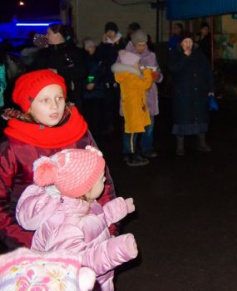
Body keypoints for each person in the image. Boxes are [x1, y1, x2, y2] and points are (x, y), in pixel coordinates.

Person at [0, 70, 117, 249]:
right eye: (44, 100)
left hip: (85, 234)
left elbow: (103, 181)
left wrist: (108, 226)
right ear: (28, 105)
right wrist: (31, 244)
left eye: (59, 98)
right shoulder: (13, 145)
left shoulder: (79, 132)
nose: (54, 107)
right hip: (36, 241)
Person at [16, 146, 139, 290]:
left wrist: (114, 210)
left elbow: (92, 225)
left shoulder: (82, 205)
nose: (105, 179)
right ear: (83, 188)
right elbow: (75, 266)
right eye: (100, 179)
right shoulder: (67, 225)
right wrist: (114, 251)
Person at [169, 33, 215, 156]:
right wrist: (184, 57)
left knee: (200, 117)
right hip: (182, 93)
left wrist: (211, 89)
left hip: (199, 93)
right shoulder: (175, 54)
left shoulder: (200, 55)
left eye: (190, 41)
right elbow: (173, 69)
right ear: (180, 44)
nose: (188, 44)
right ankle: (180, 146)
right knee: (182, 118)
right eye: (185, 42)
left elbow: (208, 72)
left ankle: (202, 143)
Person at [124, 30, 162, 158]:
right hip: (134, 96)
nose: (142, 47)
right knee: (133, 126)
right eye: (139, 44)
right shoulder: (126, 56)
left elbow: (158, 72)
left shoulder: (151, 56)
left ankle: (147, 148)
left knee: (149, 125)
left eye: (144, 44)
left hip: (150, 94)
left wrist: (156, 76)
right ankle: (129, 151)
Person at [32, 24, 87, 110]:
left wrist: (59, 72)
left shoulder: (74, 52)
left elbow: (81, 72)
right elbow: (33, 70)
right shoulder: (44, 53)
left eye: (48, 33)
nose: (46, 36)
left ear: (57, 34)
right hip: (46, 94)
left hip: (69, 95)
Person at [113, 50, 153, 167]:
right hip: (133, 107)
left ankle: (133, 153)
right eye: (137, 62)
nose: (139, 64)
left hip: (134, 106)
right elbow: (145, 85)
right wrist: (146, 72)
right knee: (132, 132)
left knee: (133, 131)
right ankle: (131, 155)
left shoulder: (129, 74)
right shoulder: (130, 76)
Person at [96, 22, 127, 135]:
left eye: (112, 30)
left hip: (121, 76)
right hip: (108, 77)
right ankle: (110, 125)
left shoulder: (122, 43)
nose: (110, 33)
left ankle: (124, 123)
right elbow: (99, 57)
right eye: (108, 31)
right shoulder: (104, 45)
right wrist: (103, 44)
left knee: (122, 101)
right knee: (108, 102)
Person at [82, 38, 106, 136]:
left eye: (93, 47)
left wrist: (93, 83)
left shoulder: (98, 59)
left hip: (97, 90)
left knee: (97, 112)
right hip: (87, 92)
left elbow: (100, 73)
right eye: (89, 47)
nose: (92, 49)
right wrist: (86, 84)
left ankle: (96, 130)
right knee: (88, 112)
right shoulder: (83, 60)